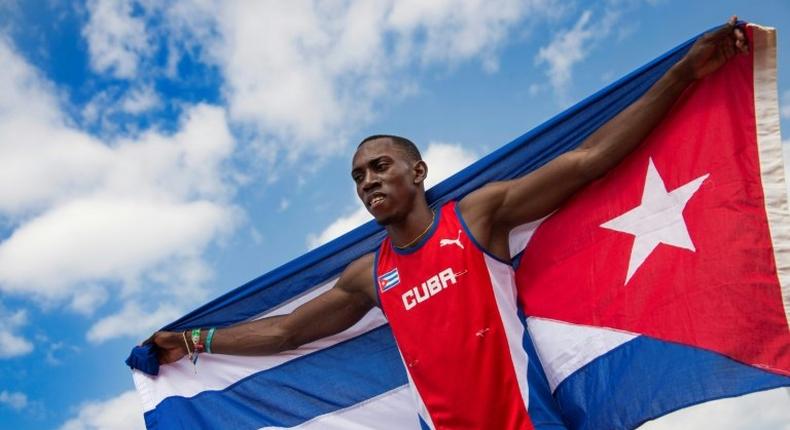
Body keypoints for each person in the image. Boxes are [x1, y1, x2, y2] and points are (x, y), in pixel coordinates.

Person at [150, 17, 748, 430]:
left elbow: (588, 162)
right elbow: (286, 333)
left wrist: (683, 75)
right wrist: (192, 341)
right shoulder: (371, 276)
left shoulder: (477, 217)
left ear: (418, 171)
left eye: (379, 167)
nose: (368, 183)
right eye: (358, 178)